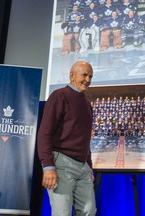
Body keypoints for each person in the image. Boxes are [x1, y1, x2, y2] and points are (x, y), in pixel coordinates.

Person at [37, 61, 96, 216]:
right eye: (84, 75)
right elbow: (45, 132)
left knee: (89, 211)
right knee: (62, 213)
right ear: (72, 75)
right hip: (61, 165)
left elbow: (84, 139)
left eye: (90, 76)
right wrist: (48, 166)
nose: (88, 80)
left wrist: (89, 166)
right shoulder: (59, 95)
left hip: (83, 168)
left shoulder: (87, 105)